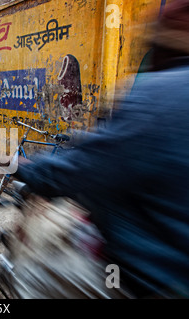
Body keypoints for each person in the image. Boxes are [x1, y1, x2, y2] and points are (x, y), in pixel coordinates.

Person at [13, 0, 189, 298]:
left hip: (147, 276)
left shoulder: (157, 95)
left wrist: (31, 170)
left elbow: (89, 167)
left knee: (32, 274)